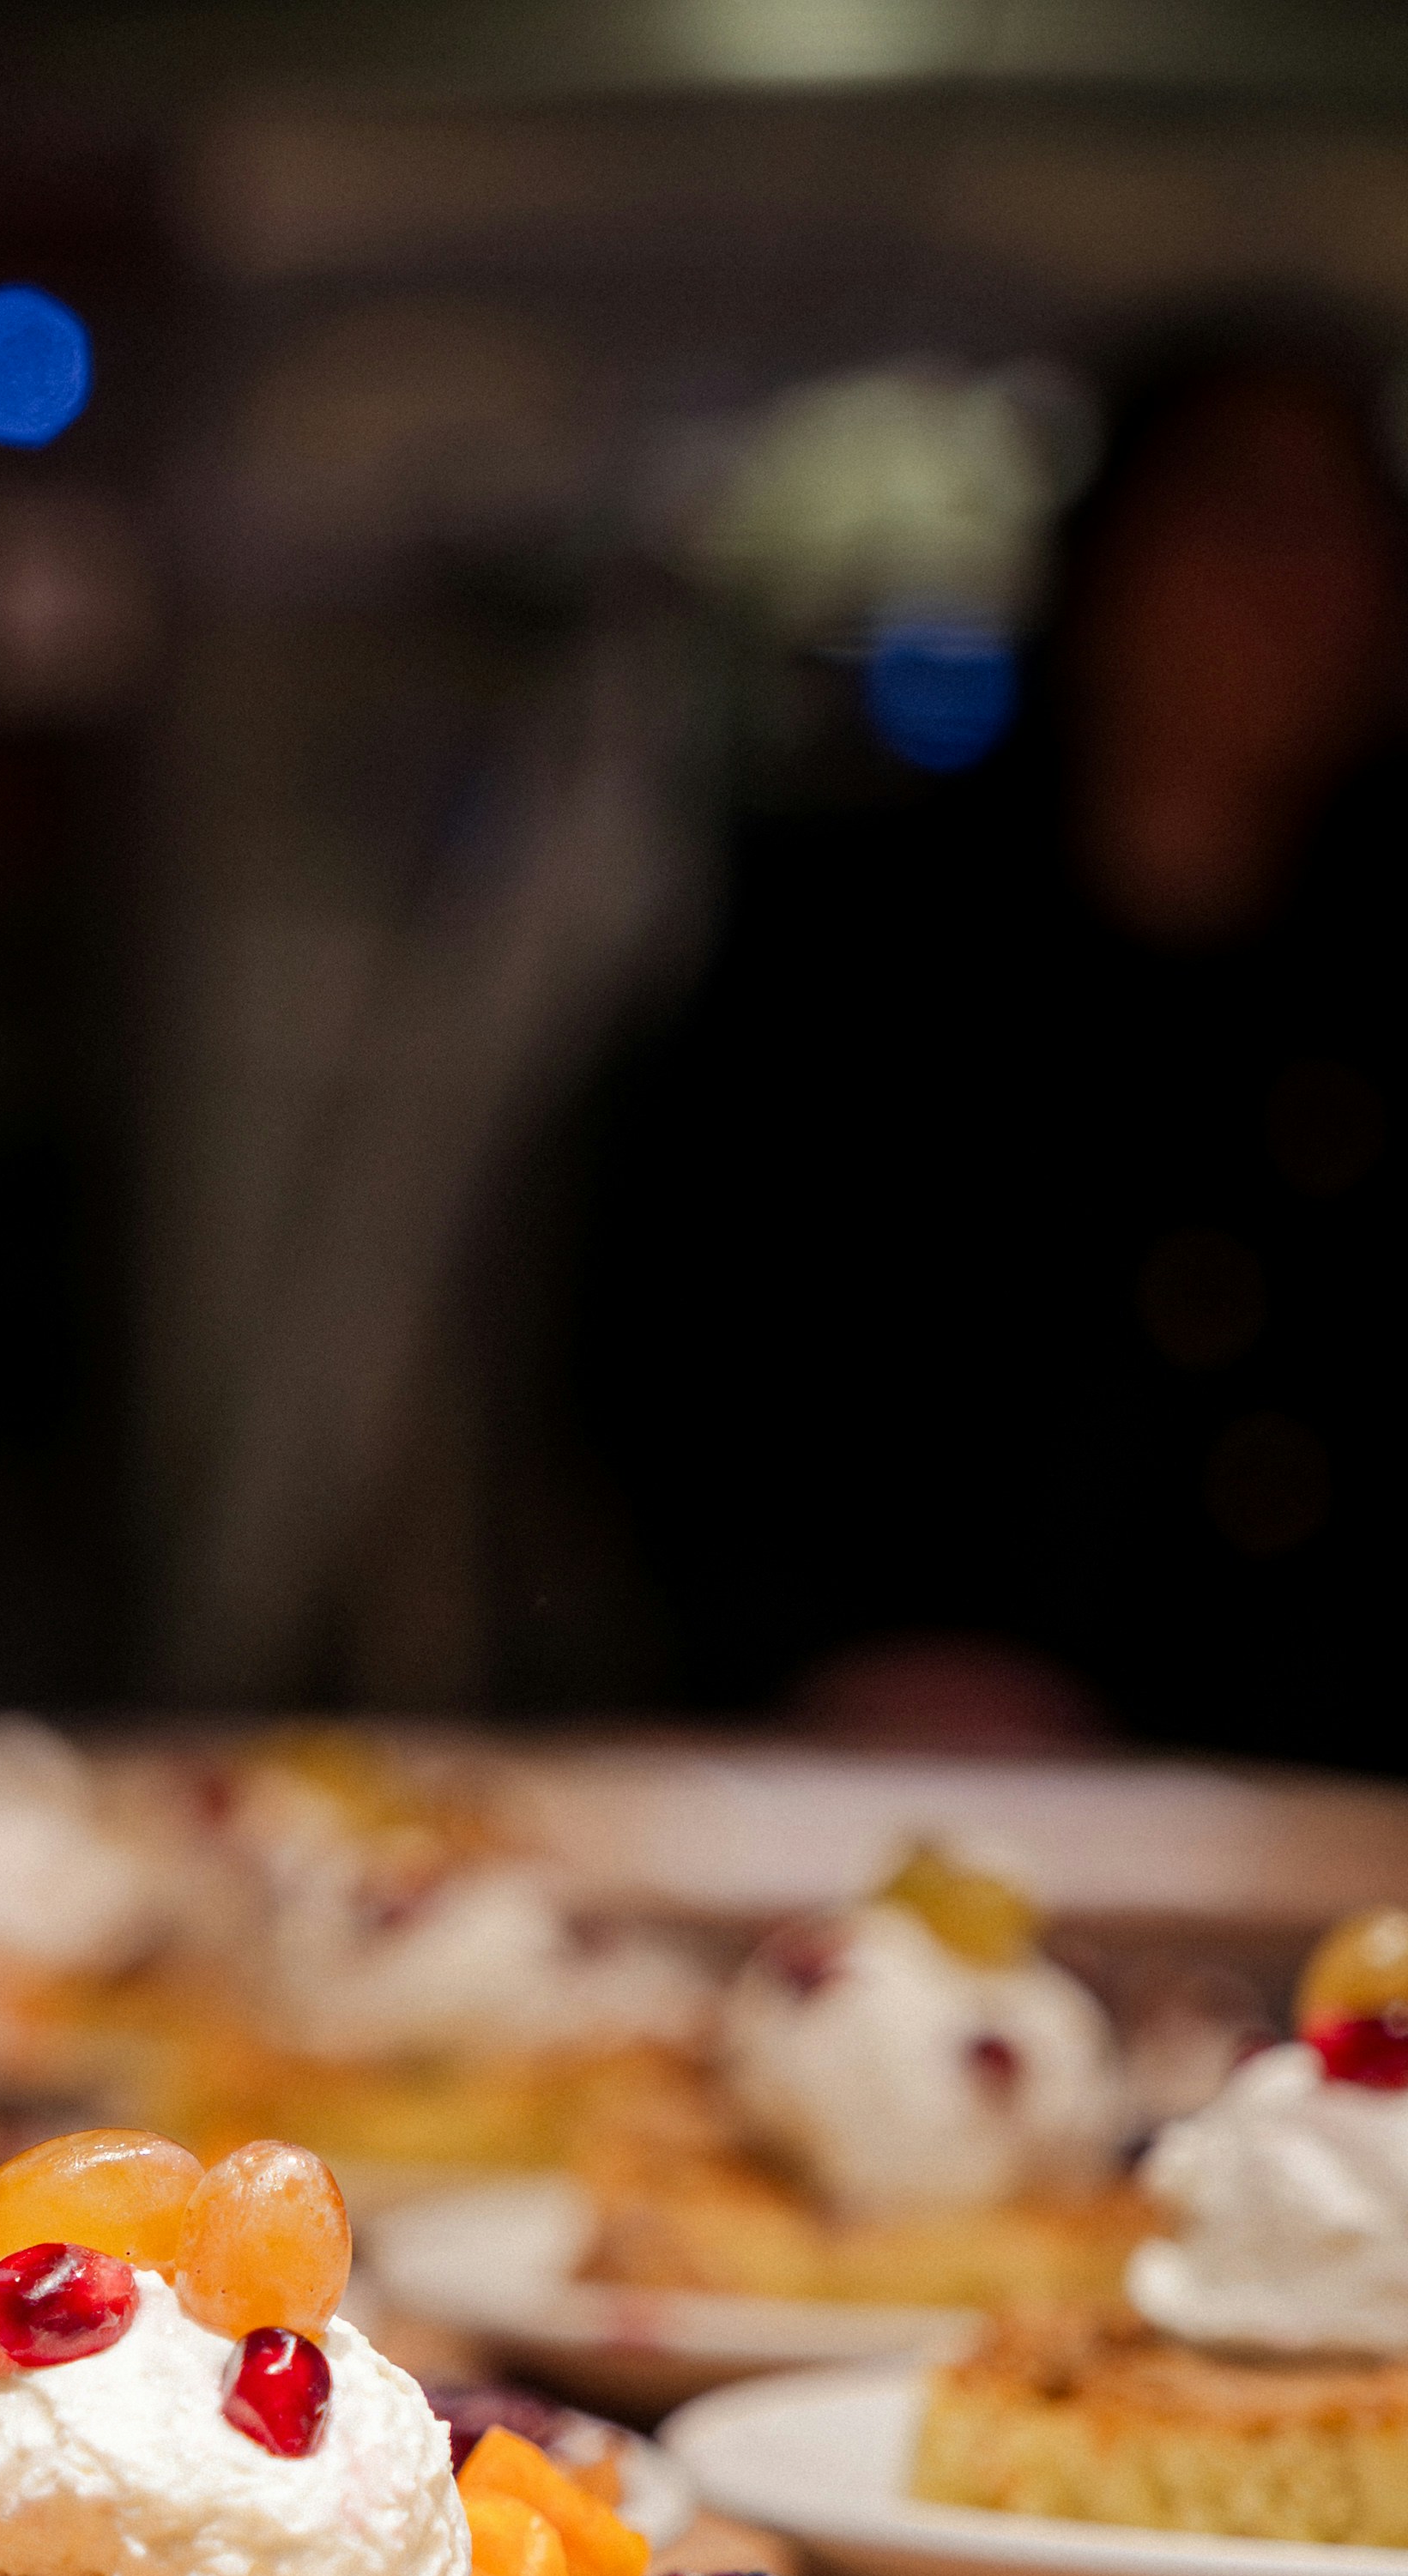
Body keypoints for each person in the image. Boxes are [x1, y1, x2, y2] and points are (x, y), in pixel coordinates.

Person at [571, 317, 1408, 1769]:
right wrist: (817, 1650)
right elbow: (660, 1335)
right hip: (908, 1788)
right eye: (1247, 521)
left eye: (1349, 535)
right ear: (1104, 563)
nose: (1305, 590)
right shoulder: (852, 944)